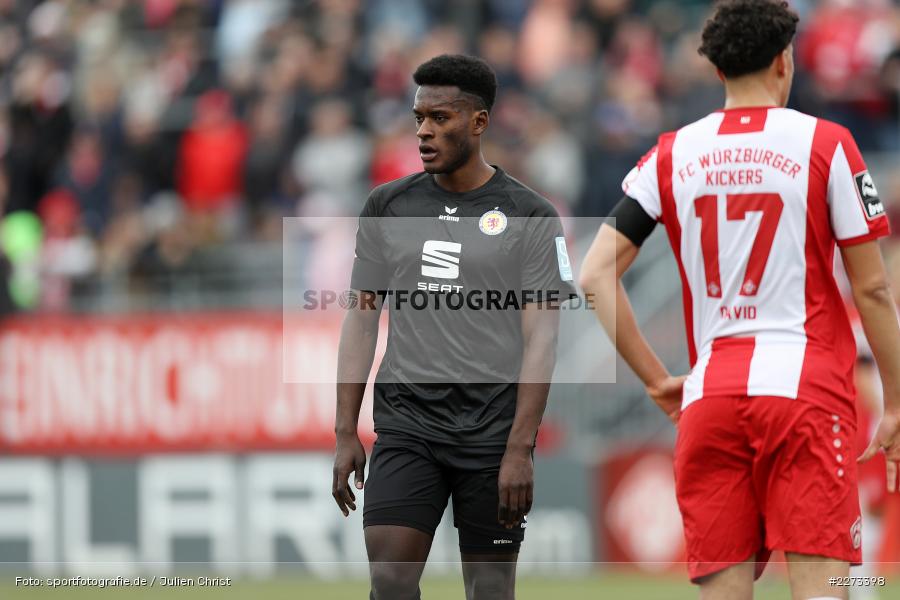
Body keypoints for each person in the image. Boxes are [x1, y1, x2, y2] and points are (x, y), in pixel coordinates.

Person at [579, 2, 900, 599]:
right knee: (827, 589)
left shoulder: (671, 154)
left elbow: (595, 272)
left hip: (711, 398)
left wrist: (656, 380)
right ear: (785, 61)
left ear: (717, 71)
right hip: (805, 397)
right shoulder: (827, 144)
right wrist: (898, 403)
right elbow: (874, 288)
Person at [331, 54, 575, 600]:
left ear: (479, 123)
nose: (423, 130)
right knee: (390, 584)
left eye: (440, 118)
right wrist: (346, 429)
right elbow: (362, 319)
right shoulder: (388, 205)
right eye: (419, 117)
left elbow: (542, 338)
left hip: (492, 434)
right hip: (408, 425)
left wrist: (520, 448)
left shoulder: (530, 215)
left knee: (490, 591)